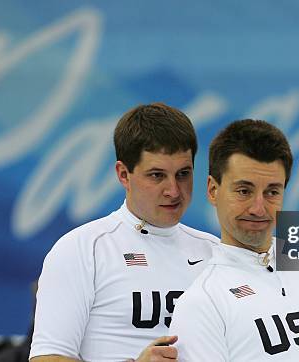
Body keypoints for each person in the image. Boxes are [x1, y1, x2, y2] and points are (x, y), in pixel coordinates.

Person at [169, 119, 299, 361]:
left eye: (272, 192)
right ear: (213, 190)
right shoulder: (201, 304)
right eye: (244, 191)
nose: (258, 208)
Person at [29, 103, 219, 362]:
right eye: (156, 175)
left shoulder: (215, 251)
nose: (174, 191)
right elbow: (46, 359)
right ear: (123, 175)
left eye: (183, 174)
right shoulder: (82, 249)